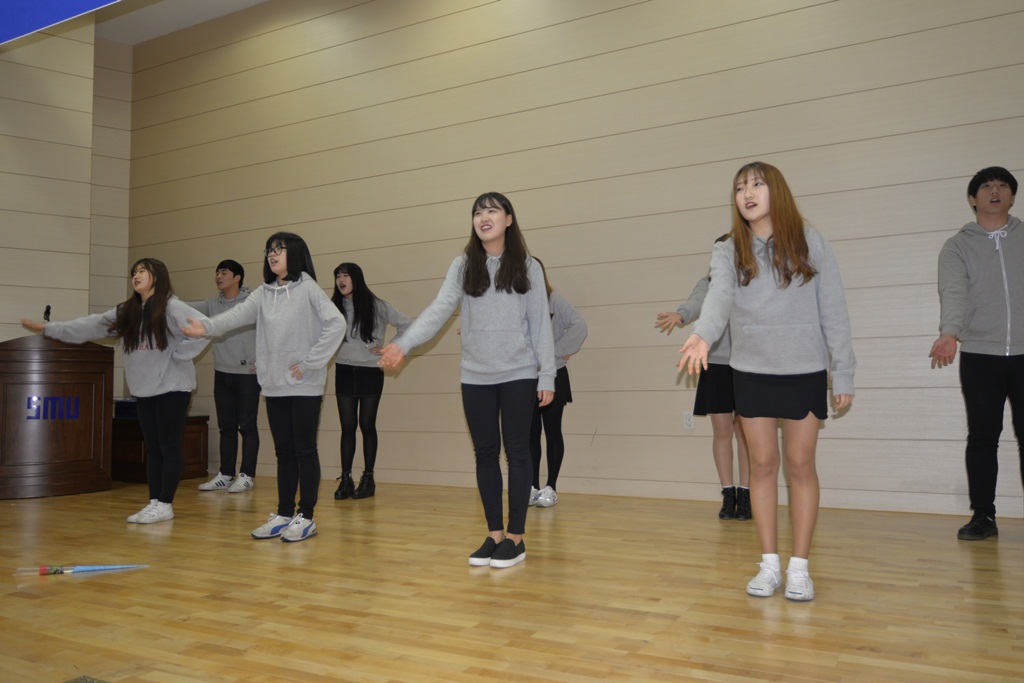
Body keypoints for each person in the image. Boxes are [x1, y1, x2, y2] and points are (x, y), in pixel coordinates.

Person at [678, 162, 855, 602]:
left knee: (800, 465)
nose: (747, 193)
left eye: (756, 184)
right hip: (751, 371)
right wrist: (703, 334)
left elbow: (833, 308)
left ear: (776, 191)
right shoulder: (728, 250)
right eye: (740, 187)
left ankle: (800, 568)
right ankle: (769, 564)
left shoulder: (810, 240)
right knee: (761, 466)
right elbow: (719, 296)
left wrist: (843, 371)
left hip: (804, 369)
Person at [379, 192, 556, 569]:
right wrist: (403, 344)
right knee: (485, 453)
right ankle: (495, 535)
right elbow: (438, 311)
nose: (483, 217)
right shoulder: (463, 265)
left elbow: (541, 323)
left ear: (509, 219)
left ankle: (516, 538)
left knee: (518, 452)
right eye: (478, 212)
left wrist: (547, 374)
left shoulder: (527, 267)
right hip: (475, 376)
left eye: (492, 210)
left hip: (519, 373)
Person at [182, 233, 345, 543]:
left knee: (304, 450)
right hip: (274, 385)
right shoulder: (263, 293)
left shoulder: (308, 287)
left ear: (294, 254)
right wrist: (206, 327)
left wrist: (310, 361)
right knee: (284, 452)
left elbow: (336, 323)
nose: (272, 255)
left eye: (279, 250)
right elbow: (234, 316)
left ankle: (306, 516)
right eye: (269, 250)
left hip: (305, 385)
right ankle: (284, 514)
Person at [23, 259, 209, 524]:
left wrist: (178, 355)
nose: (136, 275)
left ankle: (165, 503)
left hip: (173, 388)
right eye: (134, 272)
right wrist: (51, 328)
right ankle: (155, 502)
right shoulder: (128, 311)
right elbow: (92, 324)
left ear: (157, 276)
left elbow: (204, 329)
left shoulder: (172, 306)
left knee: (169, 447)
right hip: (144, 390)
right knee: (153, 449)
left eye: (142, 271)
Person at [929, 166, 1022, 542]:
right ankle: (983, 516)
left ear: (1012, 196)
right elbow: (953, 291)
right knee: (983, 437)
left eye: (1002, 186)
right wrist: (950, 333)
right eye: (986, 186)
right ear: (973, 198)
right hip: (981, 355)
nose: (995, 191)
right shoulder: (957, 246)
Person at [656, 236, 751, 521]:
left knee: (746, 433)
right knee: (722, 431)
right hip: (717, 363)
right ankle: (728, 494)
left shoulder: (751, 281)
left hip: (748, 364)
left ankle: (746, 494)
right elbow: (697, 302)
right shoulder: (709, 282)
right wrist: (681, 315)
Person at [330, 262, 412, 500]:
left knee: (367, 425)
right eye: (337, 276)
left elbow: (407, 324)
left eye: (345, 275)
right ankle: (346, 479)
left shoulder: (377, 305)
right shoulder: (333, 307)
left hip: (369, 372)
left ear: (356, 278)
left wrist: (391, 347)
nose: (341, 280)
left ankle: (368, 479)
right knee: (347, 426)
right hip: (344, 370)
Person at [190, 260, 261, 494]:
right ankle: (226, 474)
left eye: (224, 272)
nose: (219, 276)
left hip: (247, 375)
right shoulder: (212, 304)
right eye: (217, 272)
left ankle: (247, 475)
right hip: (222, 373)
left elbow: (270, 330)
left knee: (247, 426)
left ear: (237, 277)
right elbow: (184, 308)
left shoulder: (252, 302)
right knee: (226, 426)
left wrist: (263, 359)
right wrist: (159, 298)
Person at [528, 257, 587, 508]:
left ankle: (551, 487)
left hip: (554, 376)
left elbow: (580, 326)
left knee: (552, 432)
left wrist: (557, 351)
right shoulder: (517, 304)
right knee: (530, 435)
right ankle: (531, 488)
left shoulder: (555, 300)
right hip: (526, 378)